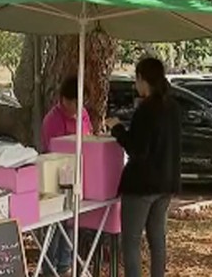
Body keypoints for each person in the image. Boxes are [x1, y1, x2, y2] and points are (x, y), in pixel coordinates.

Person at [105, 57, 182, 277]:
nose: (134, 85)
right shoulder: (173, 107)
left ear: (142, 79)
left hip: (142, 185)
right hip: (166, 183)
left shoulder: (147, 110)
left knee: (131, 242)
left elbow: (137, 149)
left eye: (135, 79)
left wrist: (118, 129)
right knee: (157, 239)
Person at [40, 76, 93, 277]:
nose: (79, 107)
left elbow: (89, 137)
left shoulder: (84, 115)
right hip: (54, 178)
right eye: (75, 102)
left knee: (71, 223)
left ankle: (65, 265)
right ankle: (49, 269)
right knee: (54, 226)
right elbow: (53, 149)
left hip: (77, 177)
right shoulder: (52, 120)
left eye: (82, 102)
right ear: (64, 99)